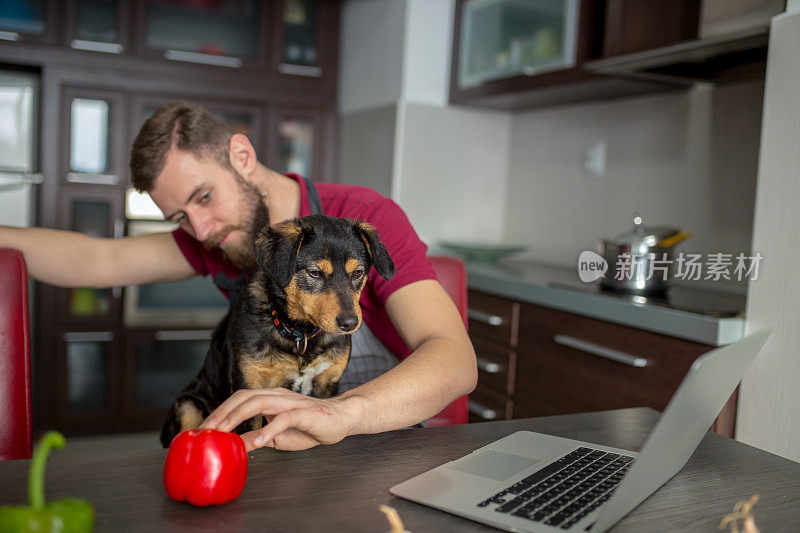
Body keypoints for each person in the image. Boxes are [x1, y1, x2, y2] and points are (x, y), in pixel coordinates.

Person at [0, 101, 477, 452]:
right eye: (180, 216)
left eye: (204, 196)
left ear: (242, 156)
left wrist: (340, 412)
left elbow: (455, 360)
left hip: (387, 439)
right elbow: (96, 261)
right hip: (284, 447)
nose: (202, 229)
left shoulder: (362, 217)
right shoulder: (222, 239)